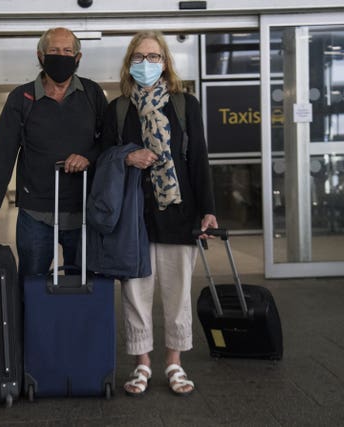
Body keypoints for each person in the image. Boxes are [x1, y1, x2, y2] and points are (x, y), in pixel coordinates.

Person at [100, 31, 218, 397]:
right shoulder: (118, 109)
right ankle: (142, 365)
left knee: (177, 293)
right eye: (139, 57)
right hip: (134, 217)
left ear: (165, 62)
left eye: (153, 57)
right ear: (128, 63)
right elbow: (105, 159)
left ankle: (174, 363)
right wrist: (127, 156)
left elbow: (198, 159)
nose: (146, 64)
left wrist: (209, 211)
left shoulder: (185, 104)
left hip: (179, 214)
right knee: (136, 294)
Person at [0, 27, 108, 278]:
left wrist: (88, 156)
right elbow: (2, 154)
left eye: (68, 51)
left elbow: (108, 142)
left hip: (84, 212)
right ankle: (37, 320)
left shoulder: (92, 94)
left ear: (78, 58)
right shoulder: (22, 97)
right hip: (36, 214)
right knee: (31, 288)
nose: (61, 56)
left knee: (85, 289)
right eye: (54, 50)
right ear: (41, 56)